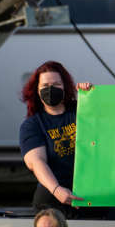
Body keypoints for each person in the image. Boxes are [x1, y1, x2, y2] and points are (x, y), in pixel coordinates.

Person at [19, 60, 89, 217]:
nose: (50, 90)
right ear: (36, 90)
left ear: (65, 87)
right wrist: (56, 189)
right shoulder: (32, 125)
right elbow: (37, 162)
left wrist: (90, 95)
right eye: (45, 86)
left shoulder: (82, 111)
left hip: (89, 195)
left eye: (57, 84)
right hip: (52, 199)